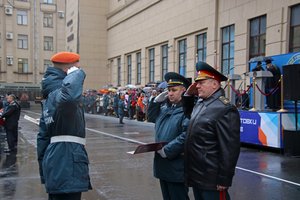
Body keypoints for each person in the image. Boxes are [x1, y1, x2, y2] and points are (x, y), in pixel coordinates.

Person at [37, 52, 92, 200]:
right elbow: (69, 99)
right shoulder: (60, 93)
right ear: (69, 70)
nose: (79, 70)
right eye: (77, 68)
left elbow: (42, 137)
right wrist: (77, 75)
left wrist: (45, 172)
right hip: (67, 162)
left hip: (55, 164)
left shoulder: (50, 95)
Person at [183, 61, 240, 200]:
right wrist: (188, 96)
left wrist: (224, 178)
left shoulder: (225, 108)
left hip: (212, 180)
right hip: (197, 175)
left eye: (201, 82)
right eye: (197, 82)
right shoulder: (202, 103)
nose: (197, 86)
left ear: (215, 84)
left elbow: (229, 148)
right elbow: (189, 115)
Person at [148, 72, 191, 200]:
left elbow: (187, 135)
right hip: (163, 164)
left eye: (174, 90)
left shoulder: (187, 110)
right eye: (169, 90)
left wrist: (167, 150)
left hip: (177, 165)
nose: (170, 93)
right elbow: (151, 117)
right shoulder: (166, 108)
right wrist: (155, 102)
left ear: (183, 91)